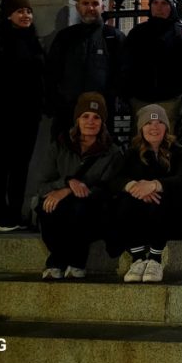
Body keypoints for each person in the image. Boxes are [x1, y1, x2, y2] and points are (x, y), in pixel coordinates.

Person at [35, 92, 120, 279]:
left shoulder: (112, 152)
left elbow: (108, 189)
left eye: (97, 117)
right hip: (61, 206)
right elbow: (41, 185)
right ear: (77, 120)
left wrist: (68, 190)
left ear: (103, 122)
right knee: (48, 205)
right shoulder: (60, 146)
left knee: (79, 206)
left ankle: (72, 261)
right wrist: (65, 183)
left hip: (93, 209)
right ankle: (59, 258)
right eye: (85, 116)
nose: (91, 121)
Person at [108, 105, 182, 283]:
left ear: (166, 127)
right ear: (141, 128)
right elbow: (113, 180)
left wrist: (155, 185)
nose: (154, 127)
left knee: (159, 199)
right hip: (140, 218)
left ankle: (155, 260)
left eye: (159, 123)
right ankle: (138, 258)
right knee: (126, 200)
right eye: (148, 123)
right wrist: (134, 187)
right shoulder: (131, 154)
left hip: (173, 218)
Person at [0, 0, 45, 232]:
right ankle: (0, 214)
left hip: (29, 112)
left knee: (21, 165)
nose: (26, 16)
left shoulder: (32, 40)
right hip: (6, 111)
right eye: (20, 11)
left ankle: (14, 212)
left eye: (29, 11)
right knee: (3, 164)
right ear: (8, 15)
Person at [45, 0, 126, 138]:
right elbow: (51, 72)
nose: (90, 8)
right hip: (67, 113)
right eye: (85, 3)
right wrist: (54, 103)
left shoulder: (114, 37)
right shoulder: (65, 37)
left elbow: (123, 74)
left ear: (103, 7)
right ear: (78, 7)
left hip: (101, 114)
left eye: (95, 4)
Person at [124, 0, 182, 130]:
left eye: (164, 3)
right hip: (140, 97)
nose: (159, 7)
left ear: (171, 7)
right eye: (155, 3)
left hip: (170, 98)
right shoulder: (137, 32)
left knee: (166, 138)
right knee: (140, 139)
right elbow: (127, 64)